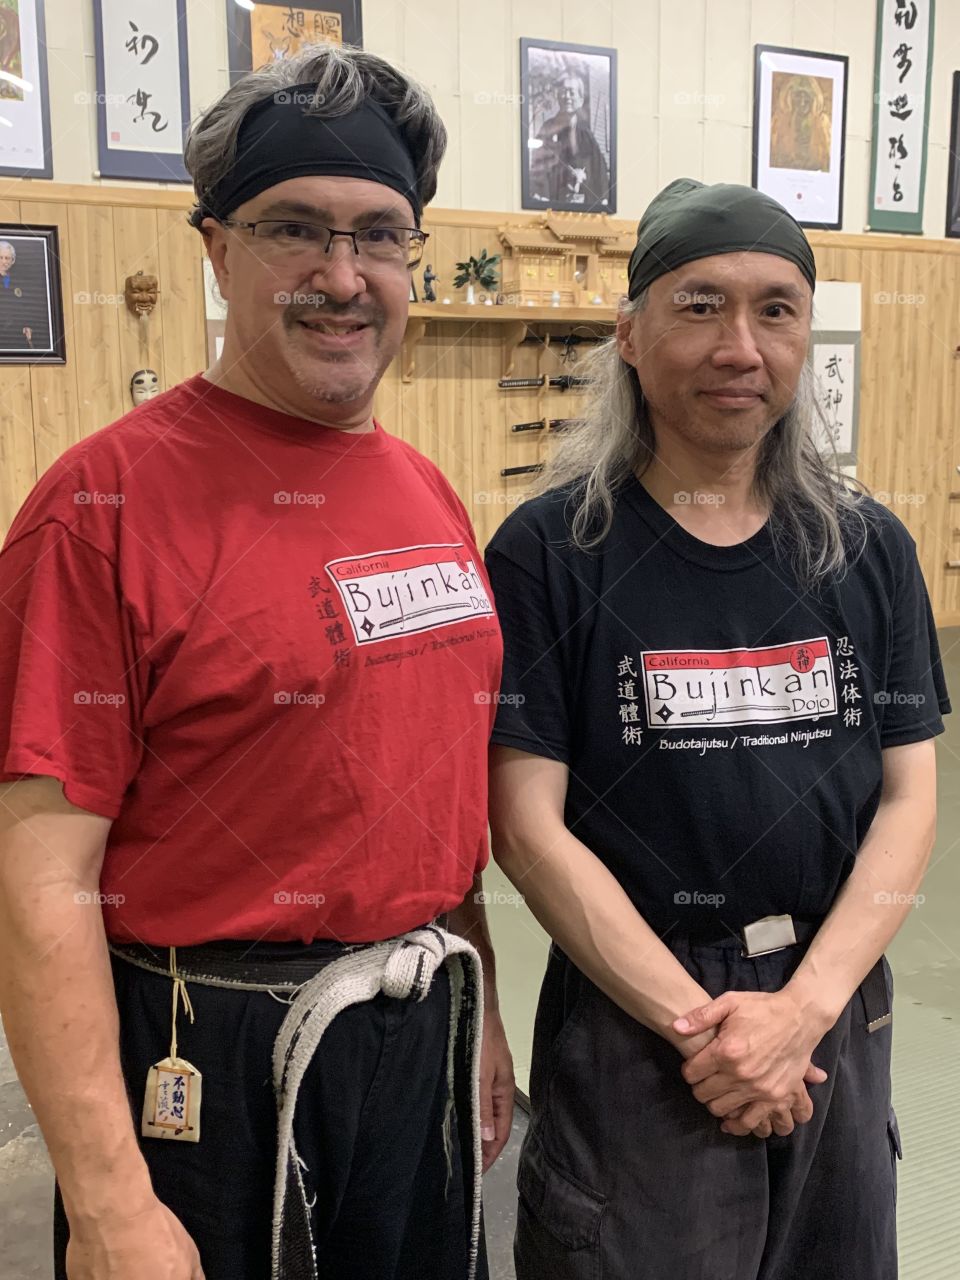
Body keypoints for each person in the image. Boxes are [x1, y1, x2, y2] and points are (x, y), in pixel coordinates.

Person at [0, 43, 514, 1280]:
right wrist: (109, 1199)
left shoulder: (427, 490)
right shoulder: (101, 507)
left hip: (418, 1022)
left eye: (380, 236)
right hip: (208, 1059)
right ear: (217, 248)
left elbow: (424, 780)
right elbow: (35, 879)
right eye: (297, 229)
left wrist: (481, 1001)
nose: (344, 277)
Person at [486, 177, 949, 1279]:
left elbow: (911, 794)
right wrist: (709, 1031)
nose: (740, 345)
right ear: (631, 334)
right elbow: (525, 825)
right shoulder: (553, 552)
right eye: (700, 305)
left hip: (833, 1001)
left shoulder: (865, 548)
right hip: (642, 1021)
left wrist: (805, 1009)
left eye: (775, 308)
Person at [529, 71, 609, 209]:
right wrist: (567, 173)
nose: (567, 97)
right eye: (563, 92)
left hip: (583, 207)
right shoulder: (548, 128)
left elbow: (598, 169)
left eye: (571, 92)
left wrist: (584, 176)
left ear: (580, 99)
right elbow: (539, 166)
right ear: (558, 97)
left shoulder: (586, 133)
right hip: (554, 202)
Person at [0, 239, 32, 349]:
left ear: (12, 260)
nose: (4, 261)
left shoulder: (19, 281)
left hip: (16, 334)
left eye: (7, 258)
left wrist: (27, 324)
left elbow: (25, 306)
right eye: (1, 257)